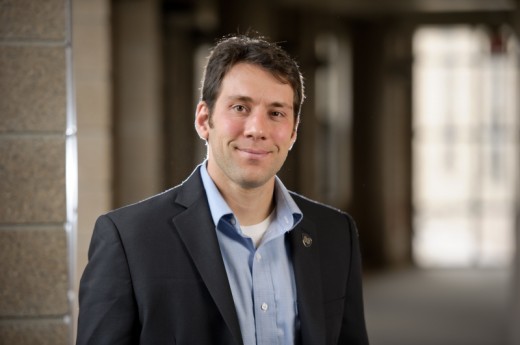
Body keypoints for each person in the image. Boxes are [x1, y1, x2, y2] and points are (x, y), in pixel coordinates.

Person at [76, 34, 369, 345]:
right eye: (240, 107)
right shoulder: (128, 239)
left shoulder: (336, 233)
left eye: (276, 112)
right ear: (204, 120)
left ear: (293, 131)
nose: (257, 129)